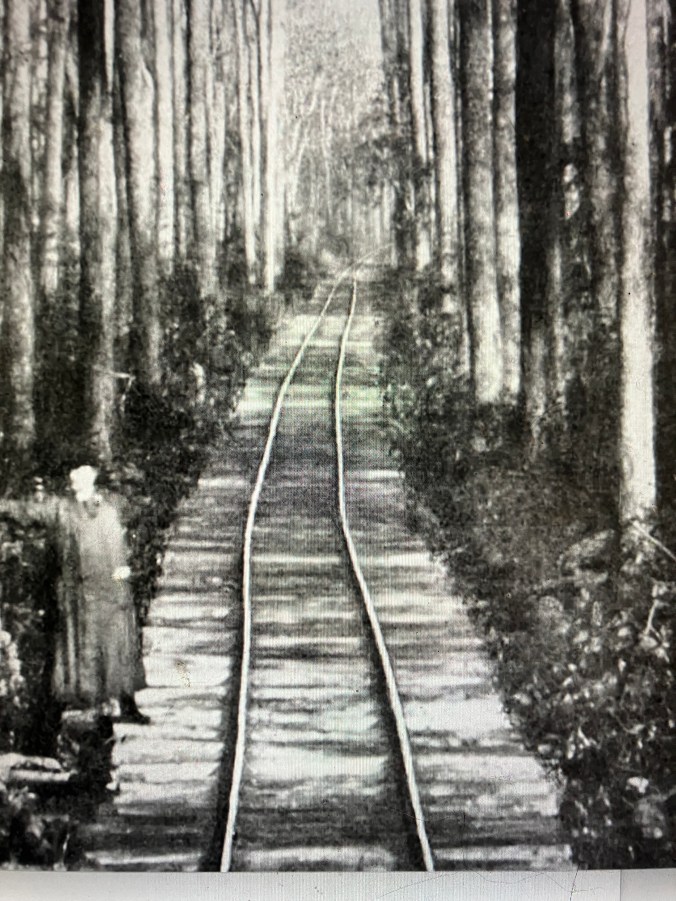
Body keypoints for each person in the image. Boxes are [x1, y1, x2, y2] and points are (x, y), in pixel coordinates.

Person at [51, 466, 148, 724]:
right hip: (84, 592)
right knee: (89, 646)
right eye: (74, 480)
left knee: (118, 645)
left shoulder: (107, 509)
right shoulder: (67, 511)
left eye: (81, 479)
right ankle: (95, 705)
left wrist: (121, 580)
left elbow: (118, 549)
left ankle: (125, 703)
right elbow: (64, 553)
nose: (76, 484)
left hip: (111, 588)